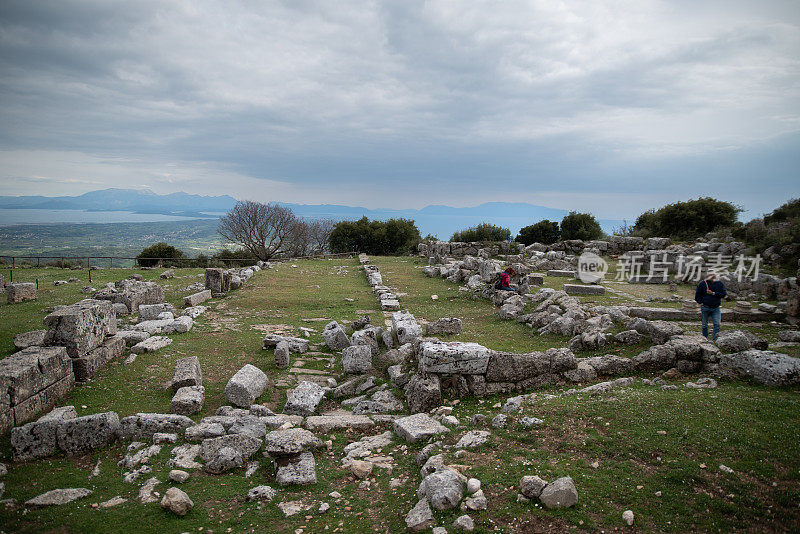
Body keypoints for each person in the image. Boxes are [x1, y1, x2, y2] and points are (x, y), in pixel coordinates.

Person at [694, 272, 726, 341]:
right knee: (704, 325)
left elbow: (723, 294)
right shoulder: (702, 284)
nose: (712, 276)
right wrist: (701, 303)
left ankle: (715, 340)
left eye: (713, 275)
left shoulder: (719, 283)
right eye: (710, 275)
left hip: (716, 307)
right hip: (705, 307)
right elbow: (697, 296)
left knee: (717, 324)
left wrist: (713, 293)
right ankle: (705, 339)